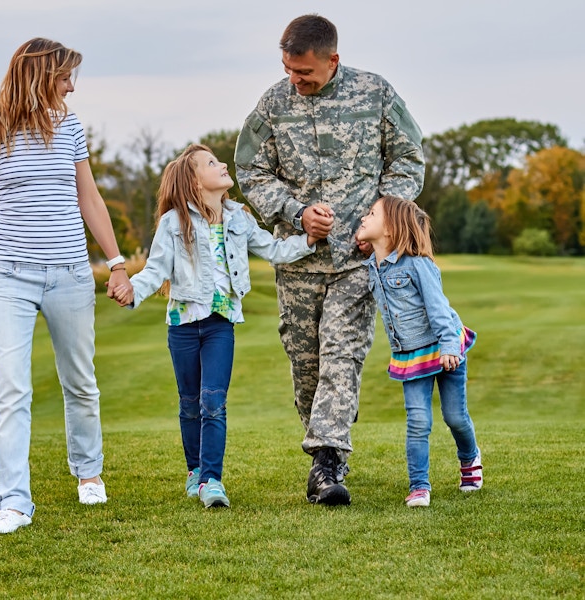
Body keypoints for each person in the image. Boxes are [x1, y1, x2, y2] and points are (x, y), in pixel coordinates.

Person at [234, 14, 426, 505]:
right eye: (289, 70)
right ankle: (327, 438)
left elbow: (408, 160)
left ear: (332, 60)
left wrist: (380, 219)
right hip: (298, 261)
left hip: (357, 260)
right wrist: (296, 212)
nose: (295, 81)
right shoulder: (273, 105)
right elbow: (250, 171)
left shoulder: (376, 94)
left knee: (342, 353)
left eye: (305, 73)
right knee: (306, 364)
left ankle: (327, 462)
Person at [0, 37, 134, 534]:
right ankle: (14, 503)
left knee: (80, 380)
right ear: (39, 75)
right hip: (7, 276)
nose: (72, 87)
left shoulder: (71, 127)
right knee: (10, 387)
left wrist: (117, 262)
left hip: (70, 274)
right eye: (64, 78)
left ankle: (89, 473)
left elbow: (90, 199)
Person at [110, 144, 320, 508]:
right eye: (212, 163)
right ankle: (194, 470)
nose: (223, 164)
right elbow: (156, 270)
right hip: (183, 325)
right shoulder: (174, 222)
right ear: (194, 181)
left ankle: (212, 480)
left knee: (213, 402)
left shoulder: (238, 217)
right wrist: (131, 292)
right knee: (190, 403)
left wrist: (309, 242)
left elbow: (273, 249)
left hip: (221, 324)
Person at [356, 196, 482, 507]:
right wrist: (367, 247)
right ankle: (419, 485)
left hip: (444, 347)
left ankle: (469, 458)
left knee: (455, 416)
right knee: (417, 421)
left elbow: (439, 308)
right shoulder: (372, 266)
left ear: (390, 230)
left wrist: (450, 346)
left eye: (371, 214)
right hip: (411, 355)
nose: (363, 217)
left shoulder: (418, 265)